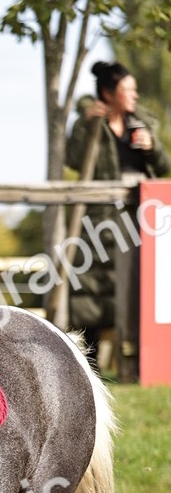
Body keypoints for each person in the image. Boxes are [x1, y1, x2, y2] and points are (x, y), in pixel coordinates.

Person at [66, 60, 170, 365]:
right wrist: (84, 123)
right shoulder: (90, 121)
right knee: (94, 288)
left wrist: (151, 147)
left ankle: (141, 361)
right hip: (100, 217)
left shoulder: (142, 123)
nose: (135, 95)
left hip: (141, 215)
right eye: (129, 89)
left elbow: (163, 166)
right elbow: (73, 159)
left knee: (141, 285)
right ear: (109, 93)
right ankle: (92, 365)